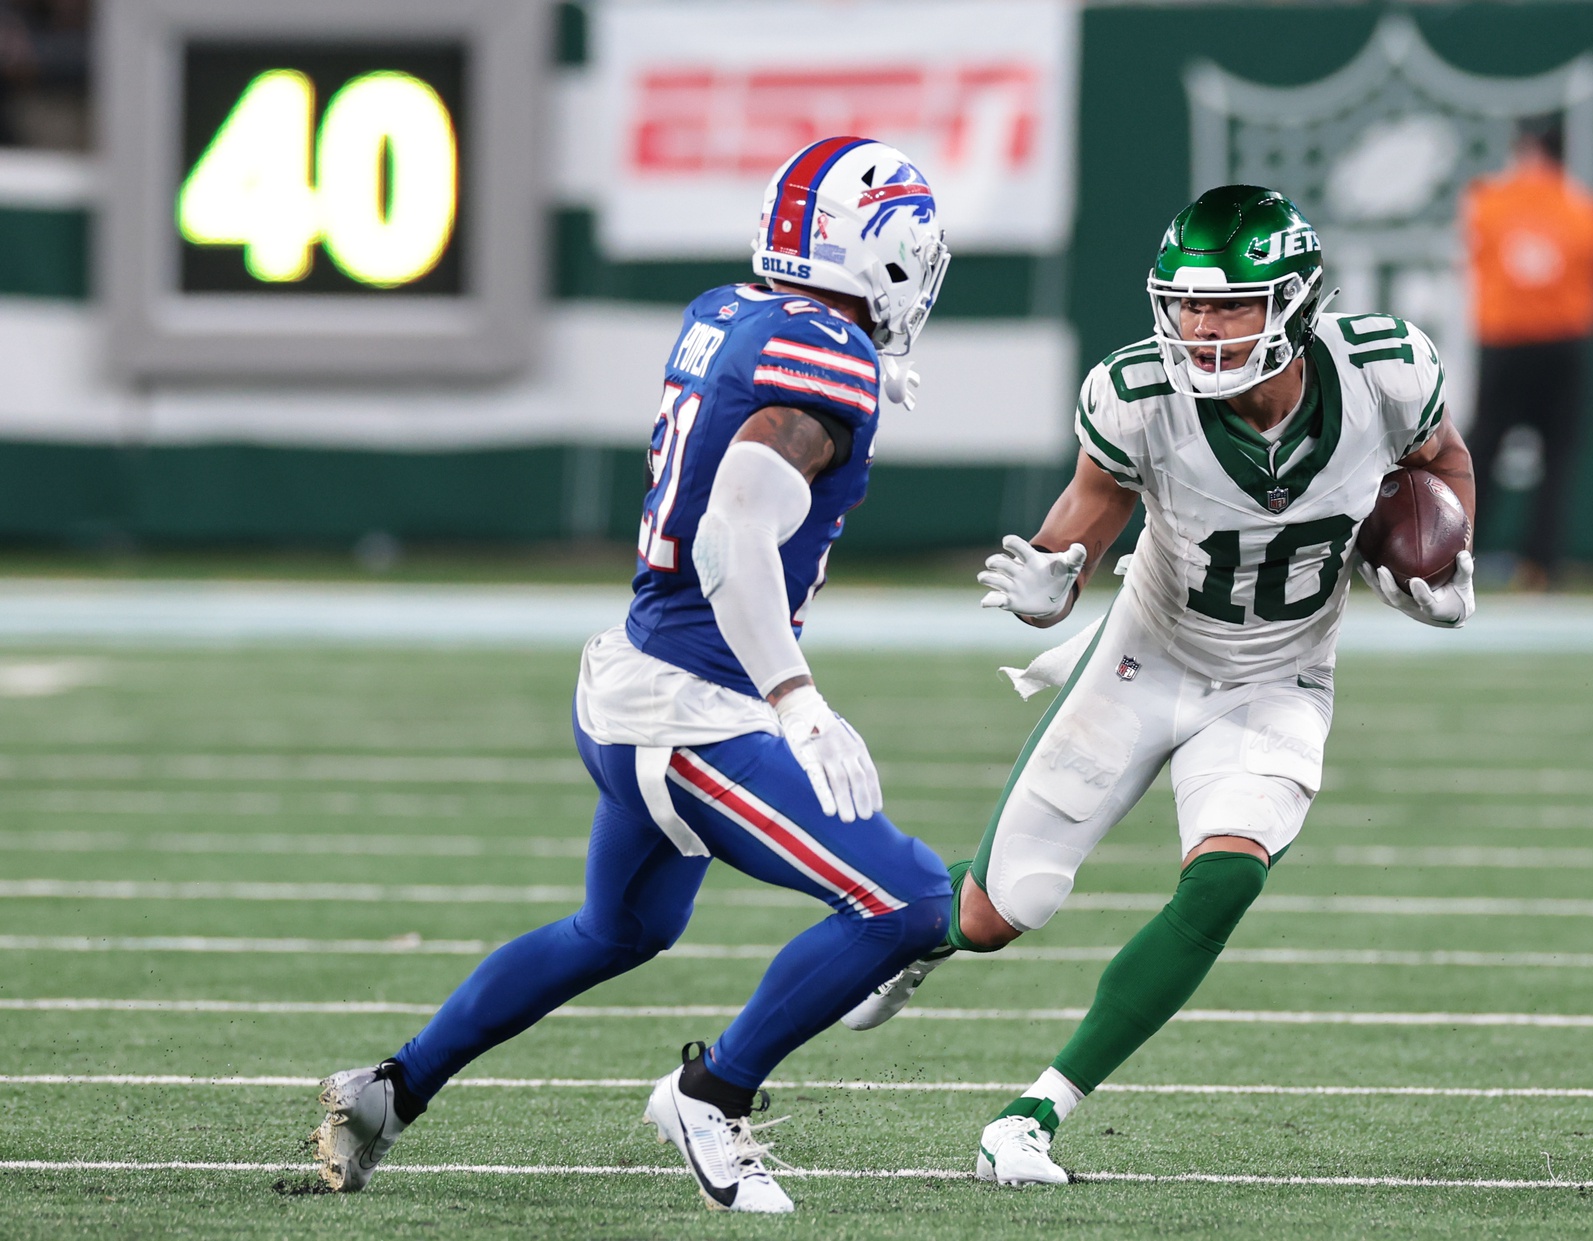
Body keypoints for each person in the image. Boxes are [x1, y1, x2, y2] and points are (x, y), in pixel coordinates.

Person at [311, 136, 955, 1214]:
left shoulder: (728, 310)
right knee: (907, 897)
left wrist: (855, 372)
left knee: (619, 928)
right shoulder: (823, 365)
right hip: (688, 710)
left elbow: (748, 413)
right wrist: (798, 701)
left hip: (626, 677)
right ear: (886, 257)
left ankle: (389, 1086)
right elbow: (731, 536)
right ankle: (713, 1094)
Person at [840, 185, 1477, 1185]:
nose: (1202, 327)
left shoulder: (1388, 373)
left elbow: (1442, 463)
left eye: (1230, 305)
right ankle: (924, 927)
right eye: (1186, 305)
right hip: (1147, 656)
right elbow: (1076, 526)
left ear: (1297, 304)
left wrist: (1444, 562)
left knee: (1225, 875)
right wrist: (1052, 582)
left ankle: (1033, 1112)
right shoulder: (1138, 394)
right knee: (999, 913)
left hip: (1280, 674)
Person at [1461, 116, 1593, 590]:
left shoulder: (1487, 201)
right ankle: (1541, 569)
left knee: (1478, 455)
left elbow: (1475, 254)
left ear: (1525, 148)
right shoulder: (1588, 210)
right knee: (1557, 461)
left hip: (1506, 343)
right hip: (1563, 346)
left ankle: (1456, 555)